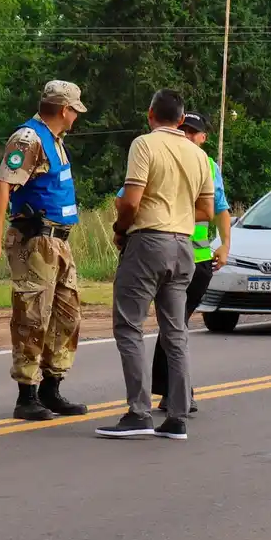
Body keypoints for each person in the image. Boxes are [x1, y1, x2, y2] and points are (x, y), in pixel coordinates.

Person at [97, 89, 215, 441]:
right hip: (184, 246)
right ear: (181, 120)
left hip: (149, 242)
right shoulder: (198, 155)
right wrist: (177, 214)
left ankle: (138, 412)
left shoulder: (144, 145)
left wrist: (121, 229)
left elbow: (130, 201)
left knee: (130, 326)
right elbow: (207, 211)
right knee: (175, 331)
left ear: (150, 115)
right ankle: (177, 416)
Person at [0, 80, 90, 421]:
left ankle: (51, 388)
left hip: (59, 241)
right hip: (36, 241)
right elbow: (2, 185)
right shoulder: (28, 139)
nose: (76, 117)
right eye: (75, 110)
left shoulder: (55, 140)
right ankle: (26, 394)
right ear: (63, 109)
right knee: (32, 317)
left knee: (66, 315)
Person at [151, 110, 229, 415]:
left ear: (203, 138)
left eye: (192, 132)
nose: (186, 135)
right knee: (174, 324)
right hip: (165, 254)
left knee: (174, 324)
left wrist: (224, 247)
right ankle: (176, 391)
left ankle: (175, 391)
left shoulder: (208, 165)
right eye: (183, 129)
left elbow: (220, 208)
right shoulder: (161, 157)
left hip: (197, 260)